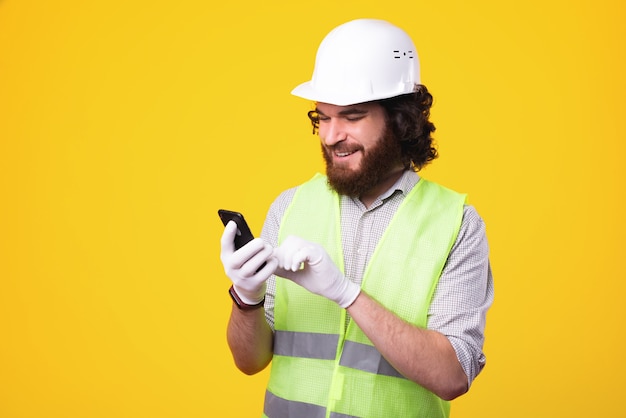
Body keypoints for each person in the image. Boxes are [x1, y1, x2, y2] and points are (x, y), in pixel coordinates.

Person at [220, 18, 494, 418]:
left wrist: (345, 293)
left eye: (351, 117)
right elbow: (249, 361)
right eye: (323, 118)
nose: (331, 136)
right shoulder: (290, 206)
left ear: (400, 121)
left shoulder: (457, 225)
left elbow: (453, 375)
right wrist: (247, 297)